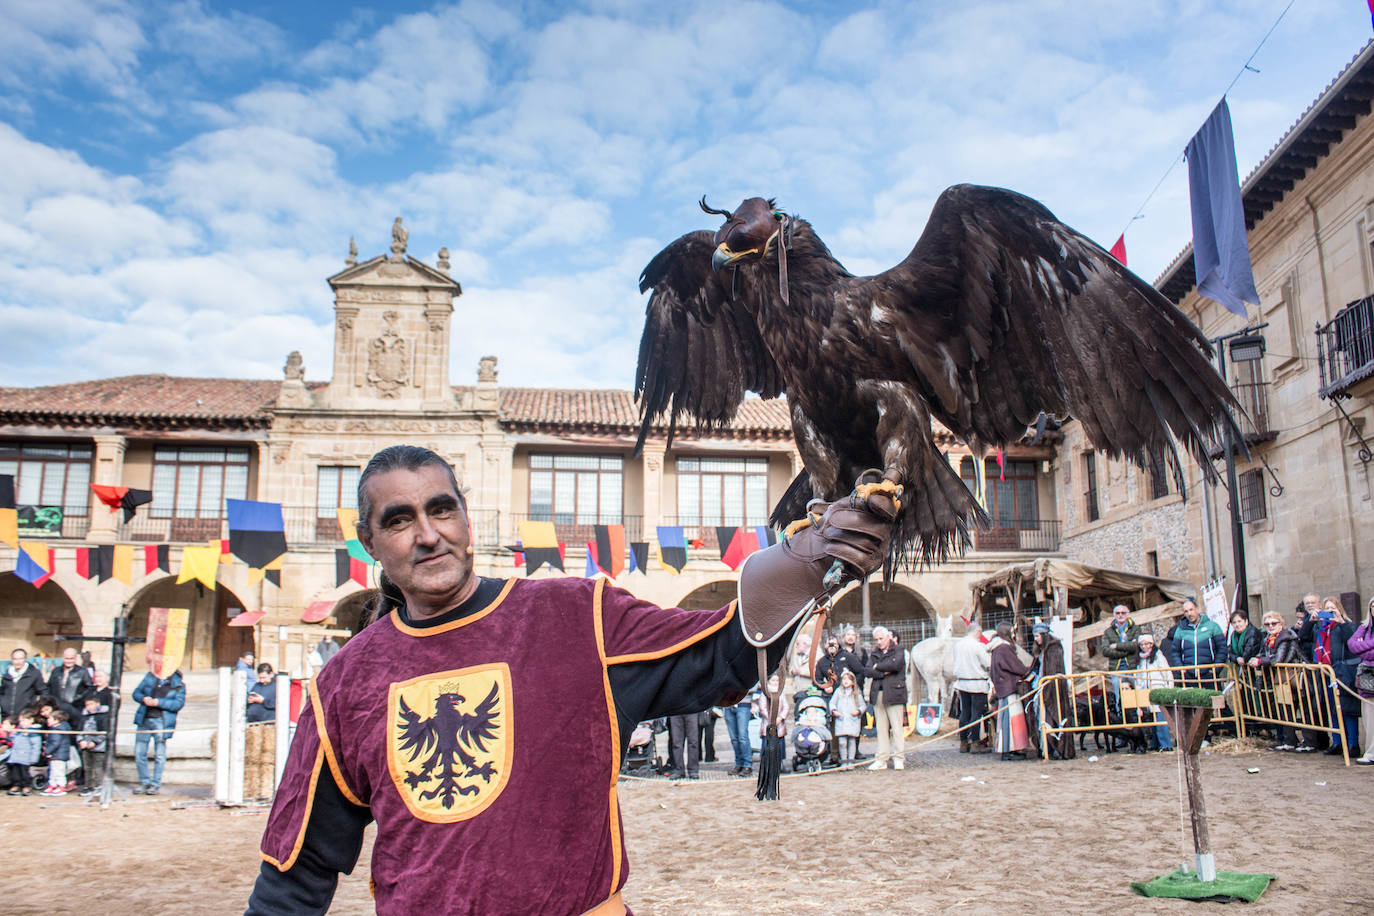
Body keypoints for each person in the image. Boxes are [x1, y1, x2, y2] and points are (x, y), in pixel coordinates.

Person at [247, 445, 895, 914]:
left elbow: (718, 655)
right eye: (398, 520)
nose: (427, 534)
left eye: (441, 510)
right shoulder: (346, 684)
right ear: (369, 541)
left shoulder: (576, 618)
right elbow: (296, 873)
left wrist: (801, 565)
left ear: (467, 522)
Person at [1298, 596, 1360, 757]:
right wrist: (1310, 621)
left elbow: (1353, 642)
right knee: (1332, 708)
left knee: (1347, 710)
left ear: (1339, 609)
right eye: (1327, 610)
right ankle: (1337, 742)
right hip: (1325, 672)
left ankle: (1353, 744)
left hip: (1343, 673)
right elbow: (1302, 638)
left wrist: (1341, 622)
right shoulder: (1320, 627)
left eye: (1333, 609)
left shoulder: (1346, 625)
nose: (1330, 613)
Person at [1252, 610, 1302, 751]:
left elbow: (1278, 659)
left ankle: (1294, 740)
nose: (1270, 626)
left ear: (1281, 623)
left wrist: (1260, 661)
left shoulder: (1286, 637)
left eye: (1274, 623)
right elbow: (1263, 653)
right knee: (1282, 709)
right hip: (1279, 678)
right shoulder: (1268, 639)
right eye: (1267, 624)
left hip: (1291, 677)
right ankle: (1287, 739)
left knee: (1293, 709)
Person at [131, 668, 186, 796]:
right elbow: (136, 693)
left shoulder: (178, 684)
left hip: (161, 721)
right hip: (144, 719)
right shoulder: (150, 677)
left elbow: (178, 704)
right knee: (139, 752)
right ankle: (144, 782)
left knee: (159, 754)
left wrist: (159, 702)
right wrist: (144, 698)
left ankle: (155, 784)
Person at [864, 626, 908, 770]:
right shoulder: (874, 652)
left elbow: (895, 665)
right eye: (876, 639)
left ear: (888, 637)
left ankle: (899, 757)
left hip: (894, 693)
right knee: (881, 729)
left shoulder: (898, 650)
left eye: (881, 638)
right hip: (878, 693)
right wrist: (883, 671)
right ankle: (881, 758)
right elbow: (868, 670)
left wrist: (878, 667)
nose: (878, 642)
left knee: (896, 728)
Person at [1031, 622, 1074, 760]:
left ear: (1044, 635)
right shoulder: (1042, 649)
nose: (1036, 639)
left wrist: (1047, 687)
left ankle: (1058, 749)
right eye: (1034, 636)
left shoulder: (1054, 648)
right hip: (1044, 689)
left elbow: (1054, 670)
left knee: (1056, 718)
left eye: (1037, 636)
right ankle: (1047, 749)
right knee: (1044, 720)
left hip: (1054, 691)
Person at [989, 623, 1032, 760]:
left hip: (1006, 687)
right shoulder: (1003, 649)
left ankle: (1013, 748)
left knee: (1012, 719)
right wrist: (1028, 671)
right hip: (1008, 688)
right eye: (1012, 632)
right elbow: (1015, 666)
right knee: (1009, 720)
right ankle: (1007, 750)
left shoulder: (999, 648)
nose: (1014, 635)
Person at [1166, 599, 1228, 689]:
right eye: (1186, 611)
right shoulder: (1180, 630)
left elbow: (1222, 648)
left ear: (1197, 609)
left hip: (1209, 675)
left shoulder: (1212, 626)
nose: (1189, 614)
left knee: (1215, 701)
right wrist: (1181, 669)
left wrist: (1215, 668)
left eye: (1191, 610)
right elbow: (1175, 652)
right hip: (1189, 676)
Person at [951, 622, 992, 754]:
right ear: (977, 632)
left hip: (962, 683)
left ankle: (963, 742)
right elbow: (988, 663)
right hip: (977, 682)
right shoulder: (978, 646)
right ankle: (975, 742)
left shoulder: (958, 645)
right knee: (976, 713)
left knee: (965, 712)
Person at [1133, 633, 1174, 752]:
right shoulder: (1140, 659)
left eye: (1146, 644)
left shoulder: (1158, 656)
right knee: (1150, 718)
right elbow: (1138, 676)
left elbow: (1166, 672)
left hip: (1158, 689)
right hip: (1145, 691)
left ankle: (1165, 744)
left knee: (1160, 717)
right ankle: (1154, 742)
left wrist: (1168, 687)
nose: (1144, 646)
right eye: (1142, 644)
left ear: (1151, 644)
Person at [1346, 599, 1374, 765]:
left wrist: (1364, 647)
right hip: (1368, 680)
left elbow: (1361, 650)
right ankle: (1371, 752)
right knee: (1369, 719)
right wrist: (1366, 651)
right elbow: (1352, 645)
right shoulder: (1364, 627)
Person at [1100, 605, 1140, 701]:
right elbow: (1105, 651)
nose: (1120, 615)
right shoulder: (1108, 632)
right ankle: (1121, 715)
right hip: (1116, 669)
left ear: (1128, 614)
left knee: (1137, 696)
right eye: (1118, 613)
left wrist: (1117, 646)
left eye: (1123, 613)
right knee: (1119, 697)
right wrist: (1127, 649)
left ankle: (1138, 716)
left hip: (1132, 667)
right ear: (1114, 615)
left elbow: (1135, 646)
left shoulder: (1135, 629)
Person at [828, 669, 864, 764]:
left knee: (852, 741)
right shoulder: (838, 692)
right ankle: (844, 760)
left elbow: (863, 706)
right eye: (844, 679)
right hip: (842, 721)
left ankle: (851, 760)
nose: (846, 681)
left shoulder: (856, 694)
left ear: (853, 682)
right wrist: (834, 710)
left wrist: (858, 711)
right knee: (842, 742)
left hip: (852, 721)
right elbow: (832, 703)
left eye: (848, 679)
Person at [76, 694, 108, 795]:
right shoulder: (84, 716)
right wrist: (81, 741)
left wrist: (94, 742)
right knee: (87, 767)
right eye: (87, 705)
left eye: (91, 704)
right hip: (85, 745)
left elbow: (104, 733)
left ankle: (98, 786)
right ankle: (88, 786)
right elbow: (79, 730)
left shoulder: (103, 716)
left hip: (98, 747)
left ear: (97, 704)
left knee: (97, 767)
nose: (89, 707)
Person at [1, 648, 44, 718]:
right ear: (12, 660)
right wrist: (3, 704)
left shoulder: (34, 674)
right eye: (15, 659)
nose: (18, 662)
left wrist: (36, 709)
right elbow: (2, 692)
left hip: (25, 716)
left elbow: (43, 691)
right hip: (7, 716)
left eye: (21, 659)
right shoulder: (6, 675)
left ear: (25, 659)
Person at [7, 709, 40, 796]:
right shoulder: (19, 731)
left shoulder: (34, 732)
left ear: (31, 720)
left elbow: (36, 746)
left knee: (24, 773)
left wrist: (34, 758)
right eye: (21, 721)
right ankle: (16, 785)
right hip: (15, 756)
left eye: (24, 720)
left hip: (25, 757)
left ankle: (26, 786)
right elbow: (12, 738)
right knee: (15, 773)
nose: (22, 723)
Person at [41, 707, 73, 796]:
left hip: (58, 755)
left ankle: (61, 786)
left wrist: (47, 752)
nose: (48, 721)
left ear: (57, 720)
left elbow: (55, 744)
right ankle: (53, 785)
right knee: (53, 771)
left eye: (50, 719)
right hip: (56, 755)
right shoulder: (56, 730)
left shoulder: (57, 731)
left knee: (58, 771)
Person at [721, 691, 753, 776]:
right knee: (734, 738)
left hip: (743, 703)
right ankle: (739, 763)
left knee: (742, 737)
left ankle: (747, 764)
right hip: (728, 704)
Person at [666, 711, 701, 779]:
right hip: (675, 710)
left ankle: (693, 770)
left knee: (693, 742)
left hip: (691, 709)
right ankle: (679, 769)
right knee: (676, 742)